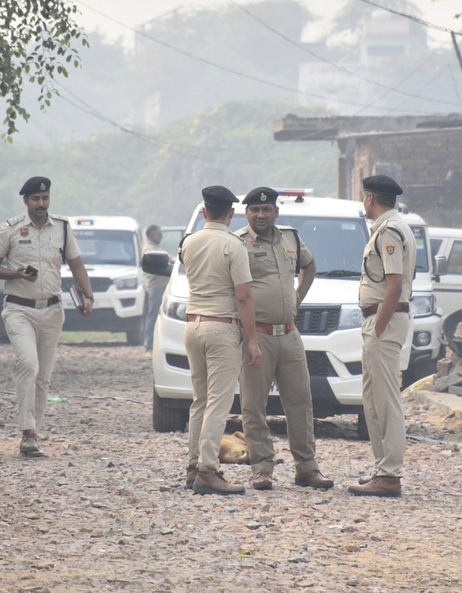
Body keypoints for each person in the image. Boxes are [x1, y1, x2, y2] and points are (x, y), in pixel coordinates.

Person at [0, 176, 94, 458]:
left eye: (45, 198)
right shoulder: (9, 230)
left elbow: (77, 264)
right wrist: (15, 273)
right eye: (35, 199)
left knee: (43, 377)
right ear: (26, 201)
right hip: (19, 309)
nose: (41, 204)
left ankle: (34, 430)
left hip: (53, 309)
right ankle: (27, 432)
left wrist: (88, 296)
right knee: (28, 364)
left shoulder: (63, 228)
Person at [235, 186, 333, 491]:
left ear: (276, 212)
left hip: (289, 334)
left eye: (266, 209)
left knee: (301, 402)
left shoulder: (289, 237)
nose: (261, 214)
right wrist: (248, 336)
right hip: (257, 335)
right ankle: (262, 468)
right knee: (254, 406)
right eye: (254, 210)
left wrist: (296, 299)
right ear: (246, 213)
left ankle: (307, 467)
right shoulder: (237, 244)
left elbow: (309, 265)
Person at [180, 185, 261, 495]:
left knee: (199, 400)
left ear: (204, 212)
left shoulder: (189, 242)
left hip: (193, 325)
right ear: (231, 213)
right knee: (219, 401)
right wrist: (252, 339)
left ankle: (193, 465)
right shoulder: (233, 245)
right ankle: (208, 470)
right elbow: (243, 296)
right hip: (221, 326)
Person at [349, 175, 414, 497]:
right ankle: (382, 470)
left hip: (384, 322)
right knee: (373, 399)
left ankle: (390, 474)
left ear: (370, 198)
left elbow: (394, 285)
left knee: (385, 400)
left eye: (364, 198)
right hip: (382, 320)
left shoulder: (389, 231)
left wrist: (378, 326)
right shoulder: (391, 227)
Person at [142, 224, 168, 352]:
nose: (162, 236)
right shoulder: (150, 249)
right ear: (151, 235)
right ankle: (149, 343)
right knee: (153, 315)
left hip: (162, 286)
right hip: (156, 287)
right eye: (159, 233)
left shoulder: (156, 248)